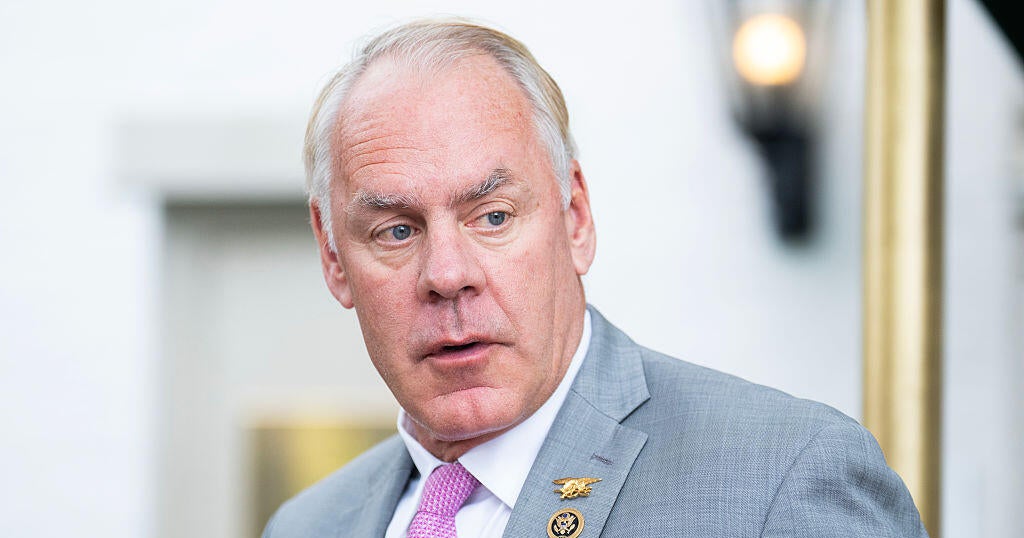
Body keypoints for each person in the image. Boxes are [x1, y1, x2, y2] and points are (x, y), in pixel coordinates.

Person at [264, 19, 928, 538]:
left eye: (492, 216)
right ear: (333, 257)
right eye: (396, 231)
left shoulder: (782, 479)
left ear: (576, 217)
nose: (447, 275)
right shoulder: (306, 525)